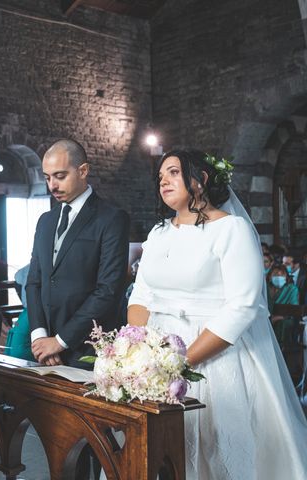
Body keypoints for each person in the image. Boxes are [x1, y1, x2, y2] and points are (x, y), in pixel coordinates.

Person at [128, 148, 307, 479]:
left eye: (173, 172)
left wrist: (180, 364)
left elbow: (242, 305)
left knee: (214, 450)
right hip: (155, 354)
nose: (163, 180)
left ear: (201, 180)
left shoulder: (231, 230)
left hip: (214, 356)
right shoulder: (158, 233)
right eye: (160, 176)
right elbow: (142, 294)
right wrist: (138, 352)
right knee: (154, 453)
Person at [26, 139, 130, 368]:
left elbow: (108, 291)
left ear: (83, 171)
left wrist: (61, 341)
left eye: (60, 176)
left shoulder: (111, 219)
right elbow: (34, 282)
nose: (52, 185)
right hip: (44, 351)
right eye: (47, 177)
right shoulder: (45, 221)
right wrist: (40, 338)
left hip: (89, 350)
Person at [267, 264, 300, 348]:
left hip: (285, 318)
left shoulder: (292, 289)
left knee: (281, 324)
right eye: (275, 274)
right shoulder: (265, 288)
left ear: (286, 277)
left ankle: (280, 347)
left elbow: (294, 309)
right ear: (270, 277)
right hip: (266, 317)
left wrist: (277, 318)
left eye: (282, 274)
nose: (278, 276)